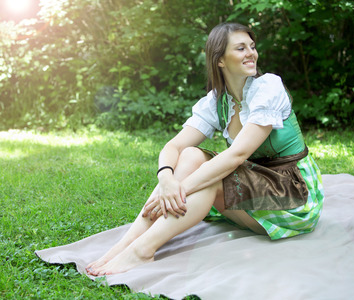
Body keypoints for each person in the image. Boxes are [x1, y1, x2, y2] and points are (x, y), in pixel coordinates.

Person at [86, 22, 324, 276]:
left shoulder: (268, 88)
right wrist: (166, 179)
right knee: (189, 154)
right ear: (220, 60)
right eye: (241, 48)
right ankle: (124, 246)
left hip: (292, 190)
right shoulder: (218, 101)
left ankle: (141, 252)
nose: (251, 53)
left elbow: (237, 155)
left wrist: (179, 190)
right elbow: (174, 146)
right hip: (254, 184)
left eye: (252, 47)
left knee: (210, 181)